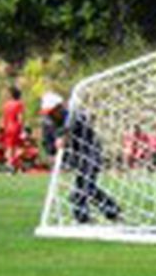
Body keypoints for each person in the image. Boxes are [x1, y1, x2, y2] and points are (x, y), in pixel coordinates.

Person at [41, 92, 122, 224]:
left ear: (60, 107)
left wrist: (64, 135)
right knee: (86, 189)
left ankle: (85, 219)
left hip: (90, 155)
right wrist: (55, 147)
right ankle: (112, 212)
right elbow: (48, 145)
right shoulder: (47, 122)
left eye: (53, 111)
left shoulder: (76, 117)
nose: (50, 115)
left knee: (82, 190)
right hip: (74, 159)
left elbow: (79, 129)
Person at [1, 86, 25, 171]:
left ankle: (9, 163)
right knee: (19, 147)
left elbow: (4, 118)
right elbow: (20, 117)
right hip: (15, 127)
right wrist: (22, 129)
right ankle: (14, 162)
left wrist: (3, 127)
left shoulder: (6, 104)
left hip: (7, 127)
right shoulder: (19, 104)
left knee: (9, 147)